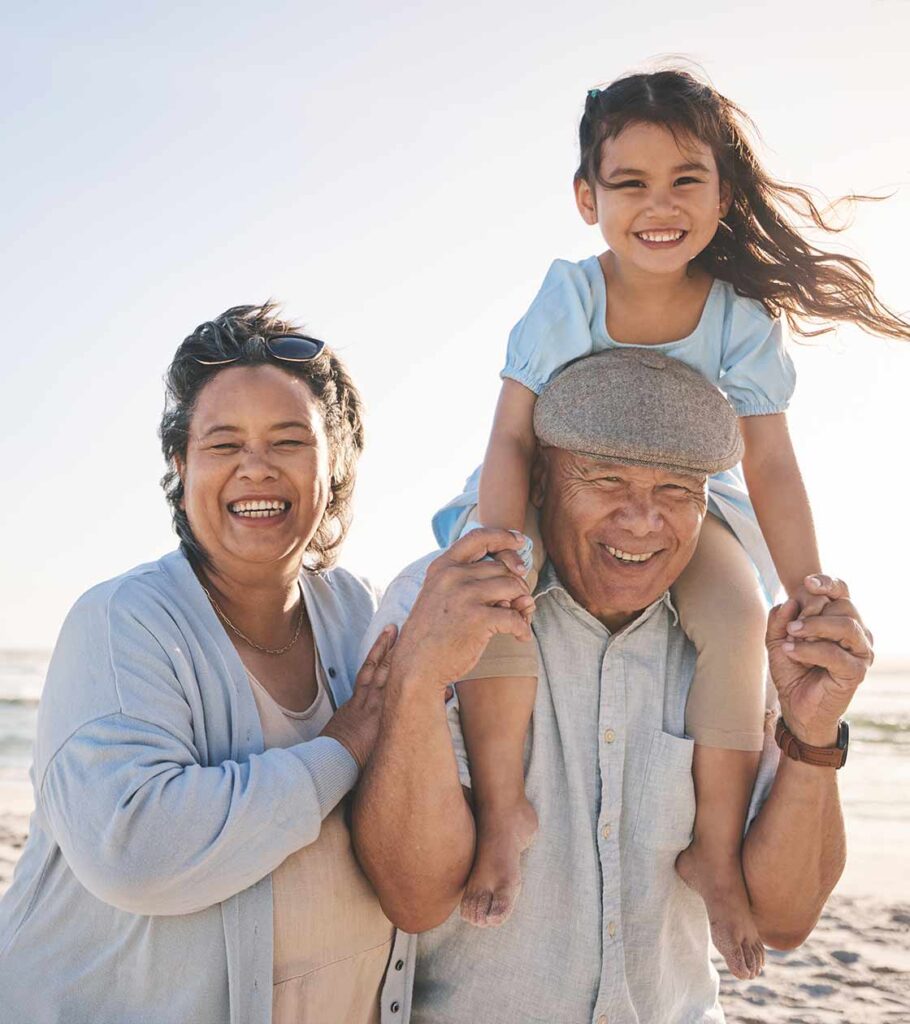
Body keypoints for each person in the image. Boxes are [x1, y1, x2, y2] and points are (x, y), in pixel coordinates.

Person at [429, 67, 908, 975]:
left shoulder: (737, 317)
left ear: (723, 195)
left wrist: (808, 593)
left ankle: (717, 855)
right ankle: (501, 813)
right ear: (586, 197)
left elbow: (768, 463)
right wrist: (501, 546)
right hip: (538, 490)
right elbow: (510, 434)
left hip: (690, 507)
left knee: (732, 621)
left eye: (687, 180)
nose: (661, 205)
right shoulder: (569, 297)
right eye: (630, 183)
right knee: (501, 609)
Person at [352, 348, 873, 1024]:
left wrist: (811, 736)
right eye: (605, 481)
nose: (641, 520)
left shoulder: (738, 637)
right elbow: (414, 897)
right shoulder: (440, 607)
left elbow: (785, 919)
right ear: (539, 482)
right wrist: (419, 677)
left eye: (676, 492)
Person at [0, 303, 412, 1024]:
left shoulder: (360, 617)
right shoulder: (122, 621)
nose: (257, 468)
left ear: (335, 464)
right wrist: (340, 750)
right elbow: (135, 848)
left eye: (289, 440)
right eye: (224, 444)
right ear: (181, 466)